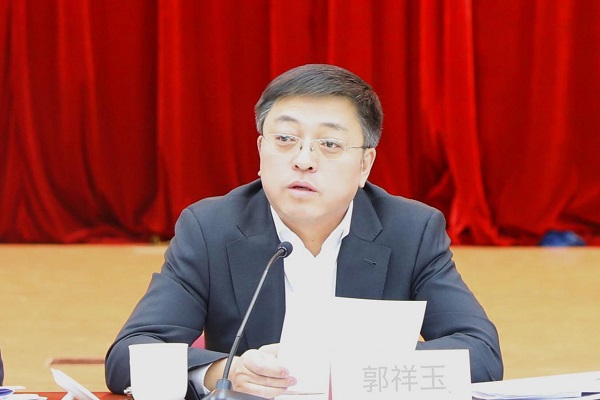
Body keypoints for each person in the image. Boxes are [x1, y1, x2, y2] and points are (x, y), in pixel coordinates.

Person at [105, 64, 503, 399]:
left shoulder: (410, 231)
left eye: (329, 144)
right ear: (261, 150)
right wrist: (224, 371)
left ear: (365, 165)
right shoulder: (210, 228)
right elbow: (128, 356)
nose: (303, 160)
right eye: (285, 139)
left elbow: (481, 354)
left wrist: (356, 369)